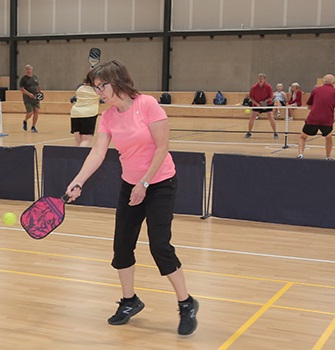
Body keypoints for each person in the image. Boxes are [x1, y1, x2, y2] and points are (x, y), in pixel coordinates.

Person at [65, 60, 198, 336]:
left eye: (102, 86)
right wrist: (78, 181)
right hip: (130, 186)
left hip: (159, 183)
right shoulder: (108, 117)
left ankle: (186, 303)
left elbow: (163, 146)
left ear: (117, 81)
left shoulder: (147, 104)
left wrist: (145, 182)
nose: (99, 92)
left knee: (160, 246)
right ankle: (129, 301)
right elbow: (98, 152)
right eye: (96, 87)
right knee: (122, 247)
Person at [297, 74, 335, 160]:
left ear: (323, 81)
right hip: (327, 120)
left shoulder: (316, 91)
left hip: (313, 119)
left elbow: (309, 106)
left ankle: (300, 154)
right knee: (328, 137)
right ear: (334, 82)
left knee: (302, 137)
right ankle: (328, 157)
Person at [69, 73, 100, 147]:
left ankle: (74, 158)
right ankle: (80, 158)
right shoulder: (97, 90)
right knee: (86, 140)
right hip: (89, 114)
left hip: (75, 114)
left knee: (77, 141)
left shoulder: (80, 88)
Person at [246, 73, 278, 139]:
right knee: (252, 117)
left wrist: (265, 101)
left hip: (267, 104)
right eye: (259, 79)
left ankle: (275, 133)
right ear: (258, 79)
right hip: (257, 104)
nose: (260, 80)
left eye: (262, 79)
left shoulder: (268, 87)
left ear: (264, 79)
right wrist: (257, 104)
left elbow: (271, 97)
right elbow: (251, 98)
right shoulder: (254, 87)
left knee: (271, 117)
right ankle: (249, 132)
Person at [19, 64, 42, 133]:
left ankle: (33, 126)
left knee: (36, 111)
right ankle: (25, 120)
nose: (28, 70)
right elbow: (21, 89)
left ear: (31, 70)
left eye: (29, 69)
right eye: (27, 69)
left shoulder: (34, 77)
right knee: (30, 112)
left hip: (35, 97)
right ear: (26, 70)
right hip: (28, 98)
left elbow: (38, 86)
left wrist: (39, 94)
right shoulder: (23, 79)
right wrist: (29, 94)